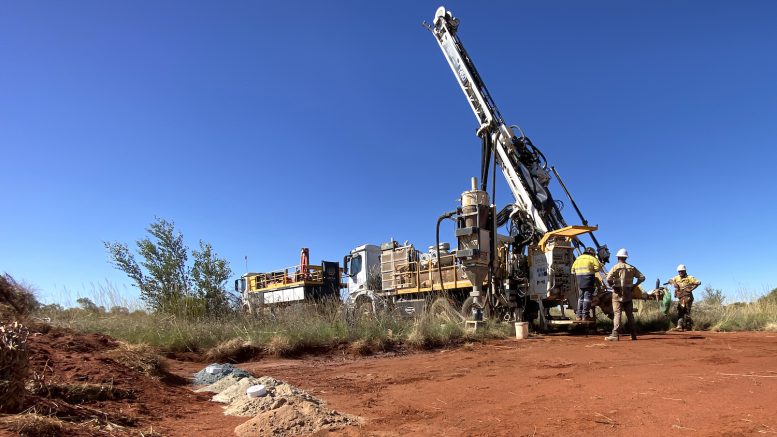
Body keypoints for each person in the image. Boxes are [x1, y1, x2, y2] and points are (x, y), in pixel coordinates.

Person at [605, 248, 645, 341]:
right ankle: (633, 334)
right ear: (626, 258)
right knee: (629, 314)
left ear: (618, 257)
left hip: (617, 293)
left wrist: (613, 286)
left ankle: (615, 335)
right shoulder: (631, 268)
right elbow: (642, 277)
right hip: (628, 293)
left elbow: (608, 279)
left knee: (617, 313)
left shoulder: (615, 267)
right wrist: (635, 285)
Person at [571, 247, 602, 321]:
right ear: (592, 253)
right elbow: (598, 268)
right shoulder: (592, 258)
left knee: (580, 298)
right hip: (588, 279)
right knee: (587, 298)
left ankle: (578, 316)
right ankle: (585, 315)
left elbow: (572, 270)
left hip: (579, 280)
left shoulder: (578, 258)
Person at [668, 264, 701, 330]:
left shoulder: (689, 278)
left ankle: (686, 326)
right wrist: (674, 283)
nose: (680, 272)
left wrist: (691, 289)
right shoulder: (676, 277)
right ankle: (681, 326)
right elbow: (669, 280)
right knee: (680, 310)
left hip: (688, 297)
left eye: (681, 271)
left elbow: (698, 282)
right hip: (681, 297)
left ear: (685, 271)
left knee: (686, 311)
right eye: (679, 271)